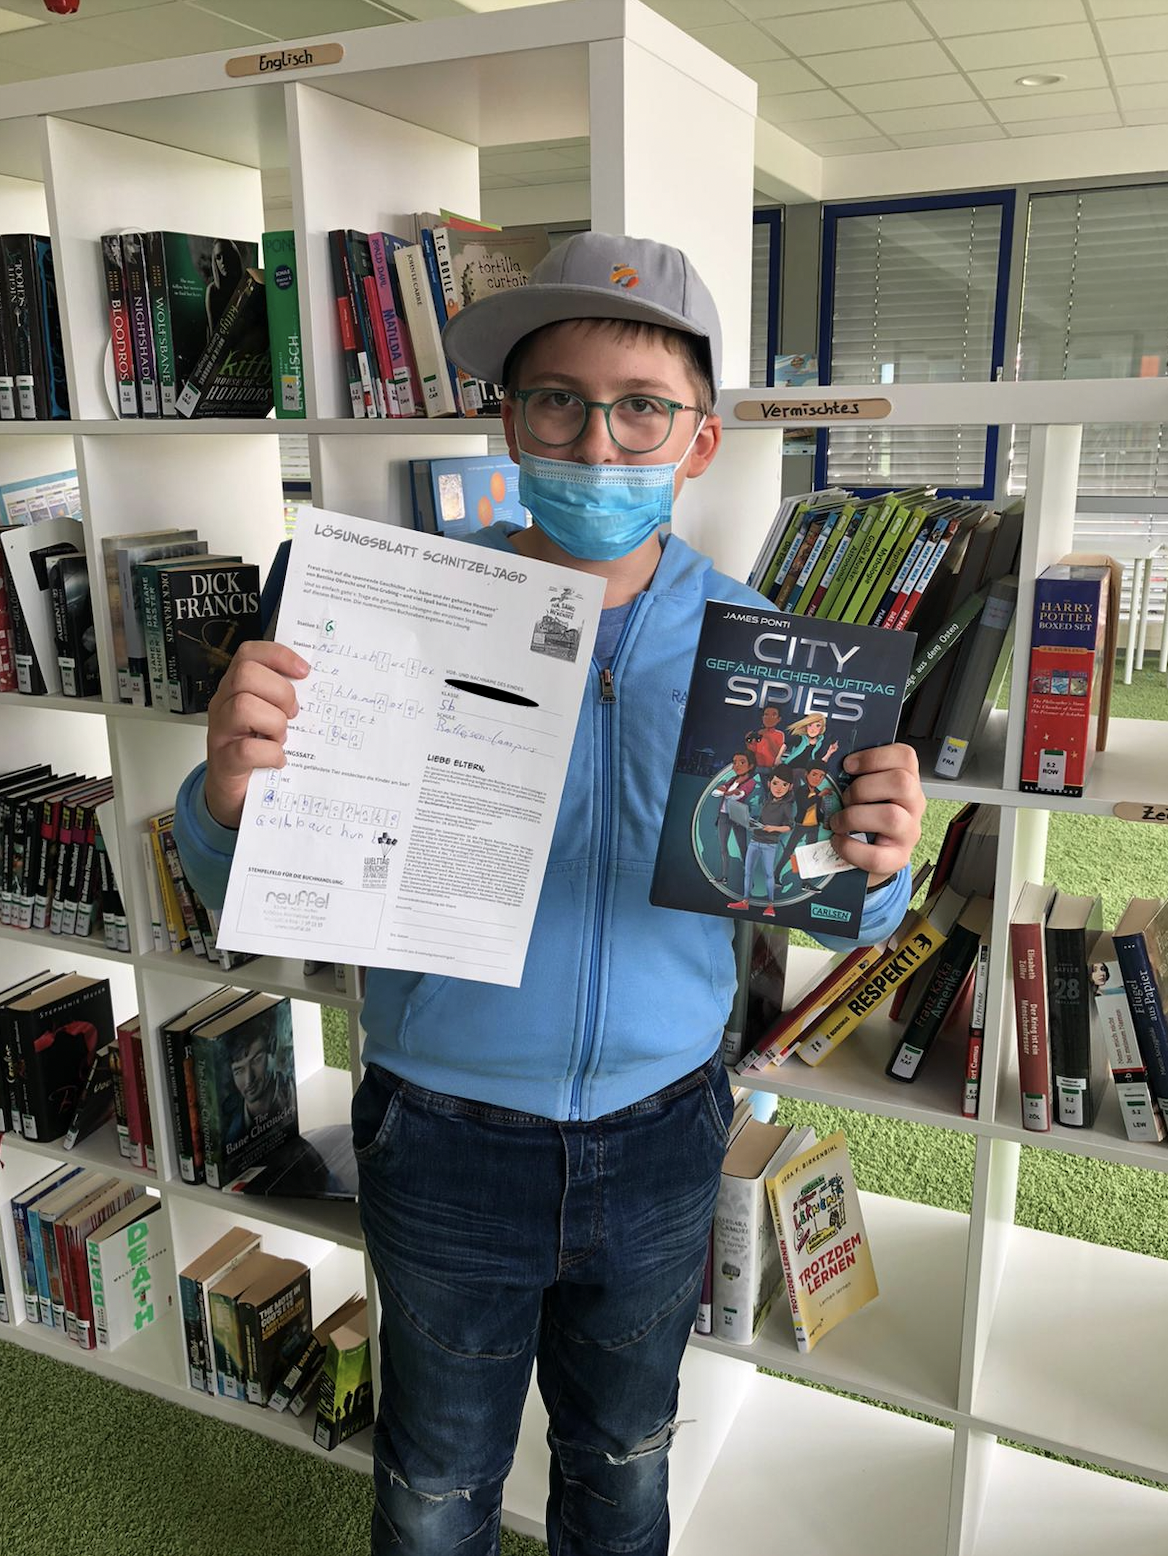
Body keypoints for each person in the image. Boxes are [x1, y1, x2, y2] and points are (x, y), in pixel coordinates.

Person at [172, 232, 926, 1556]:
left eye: (644, 409)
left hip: (662, 1129)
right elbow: (259, 886)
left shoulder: (763, 648)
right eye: (558, 403)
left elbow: (824, 905)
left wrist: (874, 865)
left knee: (624, 1458)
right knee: (434, 1477)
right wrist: (230, 802)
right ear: (507, 422)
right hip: (444, 1128)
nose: (598, 441)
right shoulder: (402, 619)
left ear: (700, 440)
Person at [726, 767, 798, 917]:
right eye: (776, 783)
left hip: (769, 845)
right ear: (769, 783)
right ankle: (745, 901)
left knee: (769, 874)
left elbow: (789, 827)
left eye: (784, 785)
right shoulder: (767, 800)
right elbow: (763, 819)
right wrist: (750, 822)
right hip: (755, 840)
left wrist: (774, 828)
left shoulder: (786, 806)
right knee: (748, 872)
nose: (779, 788)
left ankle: (770, 905)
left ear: (790, 787)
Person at [711, 750, 757, 886]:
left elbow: (739, 794)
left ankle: (749, 880)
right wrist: (723, 789)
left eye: (742, 762)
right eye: (735, 762)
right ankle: (724, 876)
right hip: (724, 816)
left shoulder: (751, 782)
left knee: (743, 849)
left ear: (750, 766)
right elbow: (718, 792)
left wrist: (729, 792)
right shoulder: (732, 780)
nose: (737, 765)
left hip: (737, 816)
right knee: (723, 847)